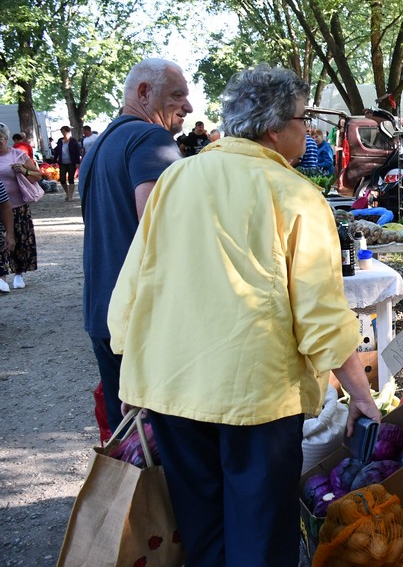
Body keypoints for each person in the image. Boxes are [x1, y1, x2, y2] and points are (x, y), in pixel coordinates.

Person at [108, 64, 381, 566]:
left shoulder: (175, 180)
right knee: (261, 538)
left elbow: (134, 284)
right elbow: (321, 315)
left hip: (173, 388)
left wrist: (132, 378)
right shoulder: (296, 194)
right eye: (304, 119)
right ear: (276, 128)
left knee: (202, 529)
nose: (310, 131)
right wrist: (360, 395)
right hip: (256, 399)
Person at [79, 58, 192, 432]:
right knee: (162, 441)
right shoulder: (151, 139)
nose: (188, 108)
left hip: (103, 311)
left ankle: (122, 493)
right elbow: (162, 231)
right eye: (178, 96)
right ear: (144, 93)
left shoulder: (99, 144)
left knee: (126, 437)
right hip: (142, 317)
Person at [0, 123, 42, 293]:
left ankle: (19, 273)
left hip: (18, 206)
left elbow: (38, 176)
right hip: (0, 206)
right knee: (1, 240)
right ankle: (2, 276)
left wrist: (24, 171)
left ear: (6, 139)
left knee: (20, 240)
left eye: (0, 139)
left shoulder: (18, 155)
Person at [52, 126, 81, 201]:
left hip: (71, 162)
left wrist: (78, 162)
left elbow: (77, 152)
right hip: (62, 162)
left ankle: (71, 196)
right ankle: (67, 193)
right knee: (62, 179)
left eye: (64, 131)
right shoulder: (60, 141)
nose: (63, 133)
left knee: (71, 179)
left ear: (68, 132)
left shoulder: (73, 141)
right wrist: (54, 161)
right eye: (62, 131)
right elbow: (57, 151)